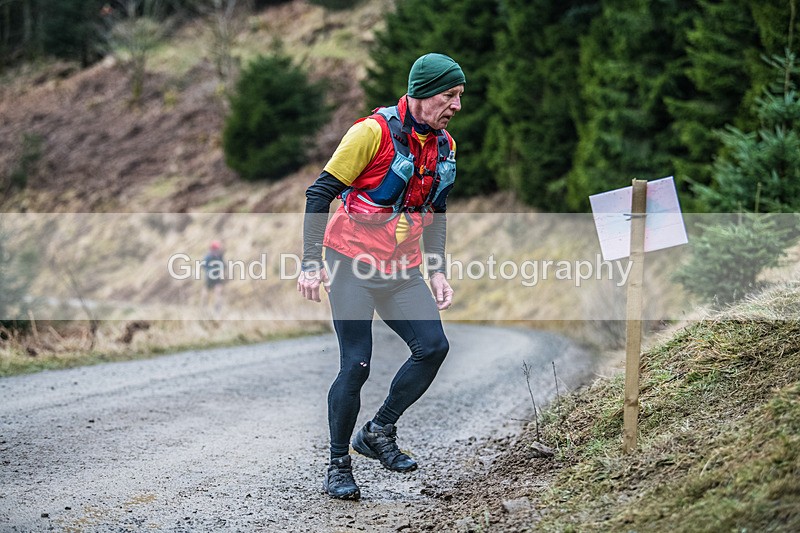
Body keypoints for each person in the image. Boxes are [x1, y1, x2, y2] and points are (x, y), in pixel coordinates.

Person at [297, 53, 465, 500]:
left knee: (433, 347)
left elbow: (437, 210)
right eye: (450, 95)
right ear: (423, 93)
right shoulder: (370, 133)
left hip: (402, 267)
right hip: (350, 262)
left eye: (460, 96)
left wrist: (438, 270)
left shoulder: (444, 146)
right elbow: (319, 194)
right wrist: (311, 262)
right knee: (356, 364)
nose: (457, 106)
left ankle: (378, 430)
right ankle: (337, 464)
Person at [202, 240, 225, 316]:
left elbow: (224, 266)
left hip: (217, 278)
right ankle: (204, 306)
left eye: (217, 249)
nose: (216, 251)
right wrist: (210, 271)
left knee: (218, 292)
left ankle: (218, 308)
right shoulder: (208, 257)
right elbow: (204, 266)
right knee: (206, 292)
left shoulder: (220, 257)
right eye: (215, 249)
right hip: (209, 277)